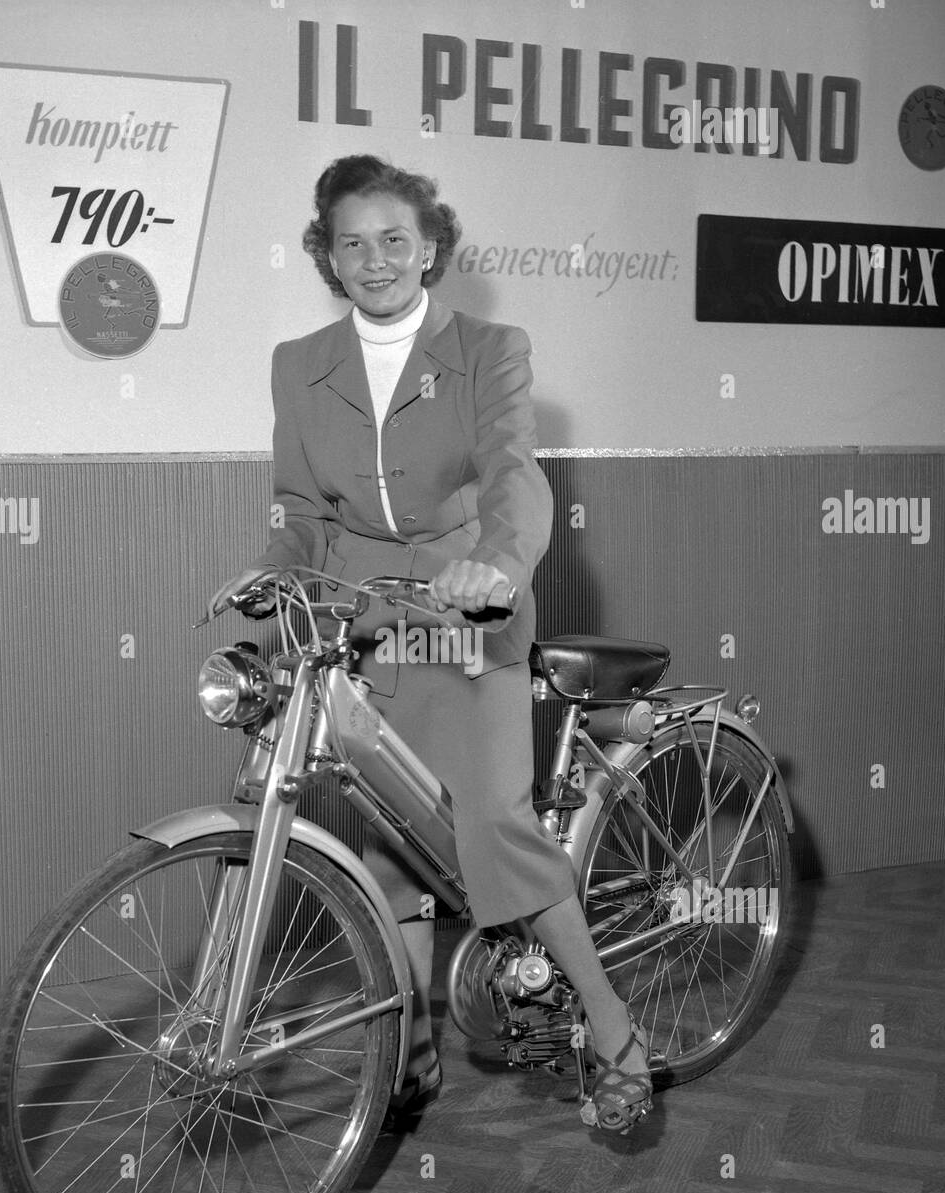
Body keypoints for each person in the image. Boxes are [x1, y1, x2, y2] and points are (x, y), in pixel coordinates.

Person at [210, 154, 652, 1134]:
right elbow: (296, 506)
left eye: (395, 239)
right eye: (351, 242)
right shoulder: (297, 362)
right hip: (365, 626)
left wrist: (498, 562)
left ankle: (614, 1028)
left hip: (465, 620)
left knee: (493, 824)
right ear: (325, 255)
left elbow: (512, 473)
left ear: (432, 246)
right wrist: (272, 565)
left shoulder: (490, 347)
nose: (374, 260)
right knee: (393, 847)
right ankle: (409, 1059)